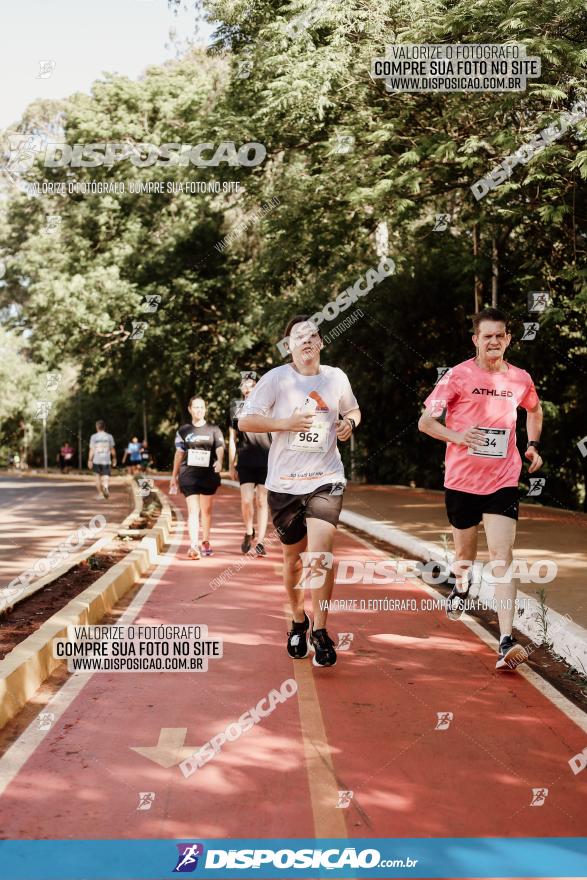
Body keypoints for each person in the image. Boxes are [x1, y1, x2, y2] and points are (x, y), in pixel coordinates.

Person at [418, 307, 543, 672]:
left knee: (503, 555)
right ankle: (461, 584)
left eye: (499, 335)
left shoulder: (520, 379)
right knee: (465, 555)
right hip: (461, 482)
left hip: (503, 479)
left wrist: (532, 445)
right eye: (486, 335)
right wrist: (458, 436)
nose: (493, 341)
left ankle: (505, 640)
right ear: (475, 339)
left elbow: (534, 410)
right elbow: (426, 421)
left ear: (508, 339)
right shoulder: (456, 377)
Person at [239, 315, 361, 667]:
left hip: (326, 479)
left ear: (321, 342)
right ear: (288, 345)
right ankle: (297, 619)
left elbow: (353, 409)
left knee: (321, 555)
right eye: (298, 337)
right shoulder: (275, 379)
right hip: (285, 485)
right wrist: (284, 423)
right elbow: (246, 420)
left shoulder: (335, 378)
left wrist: (348, 423)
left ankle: (320, 631)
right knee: (293, 559)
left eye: (312, 336)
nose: (306, 341)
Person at [169, 396, 225, 560]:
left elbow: (220, 447)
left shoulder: (214, 430)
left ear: (205, 409)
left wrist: (220, 461)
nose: (199, 410)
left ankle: (205, 542)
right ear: (190, 409)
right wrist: (174, 476)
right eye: (196, 407)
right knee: (193, 511)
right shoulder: (183, 431)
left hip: (208, 474)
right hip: (188, 475)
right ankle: (193, 545)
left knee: (206, 511)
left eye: (202, 407)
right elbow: (179, 453)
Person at [229, 373, 271, 555]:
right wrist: (231, 464)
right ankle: (248, 531)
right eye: (244, 385)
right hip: (245, 460)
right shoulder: (235, 407)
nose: (247, 387)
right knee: (247, 501)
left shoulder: (267, 406)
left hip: (266, 459)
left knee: (262, 501)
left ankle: (261, 541)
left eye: (251, 384)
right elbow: (232, 438)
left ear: (257, 387)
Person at [88, 420, 117, 499]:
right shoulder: (109, 436)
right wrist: (114, 458)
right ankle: (106, 488)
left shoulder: (93, 437)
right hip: (106, 460)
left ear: (97, 427)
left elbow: (92, 450)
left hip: (96, 460)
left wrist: (89, 460)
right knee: (106, 476)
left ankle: (100, 494)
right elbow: (112, 449)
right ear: (104, 427)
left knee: (97, 477)